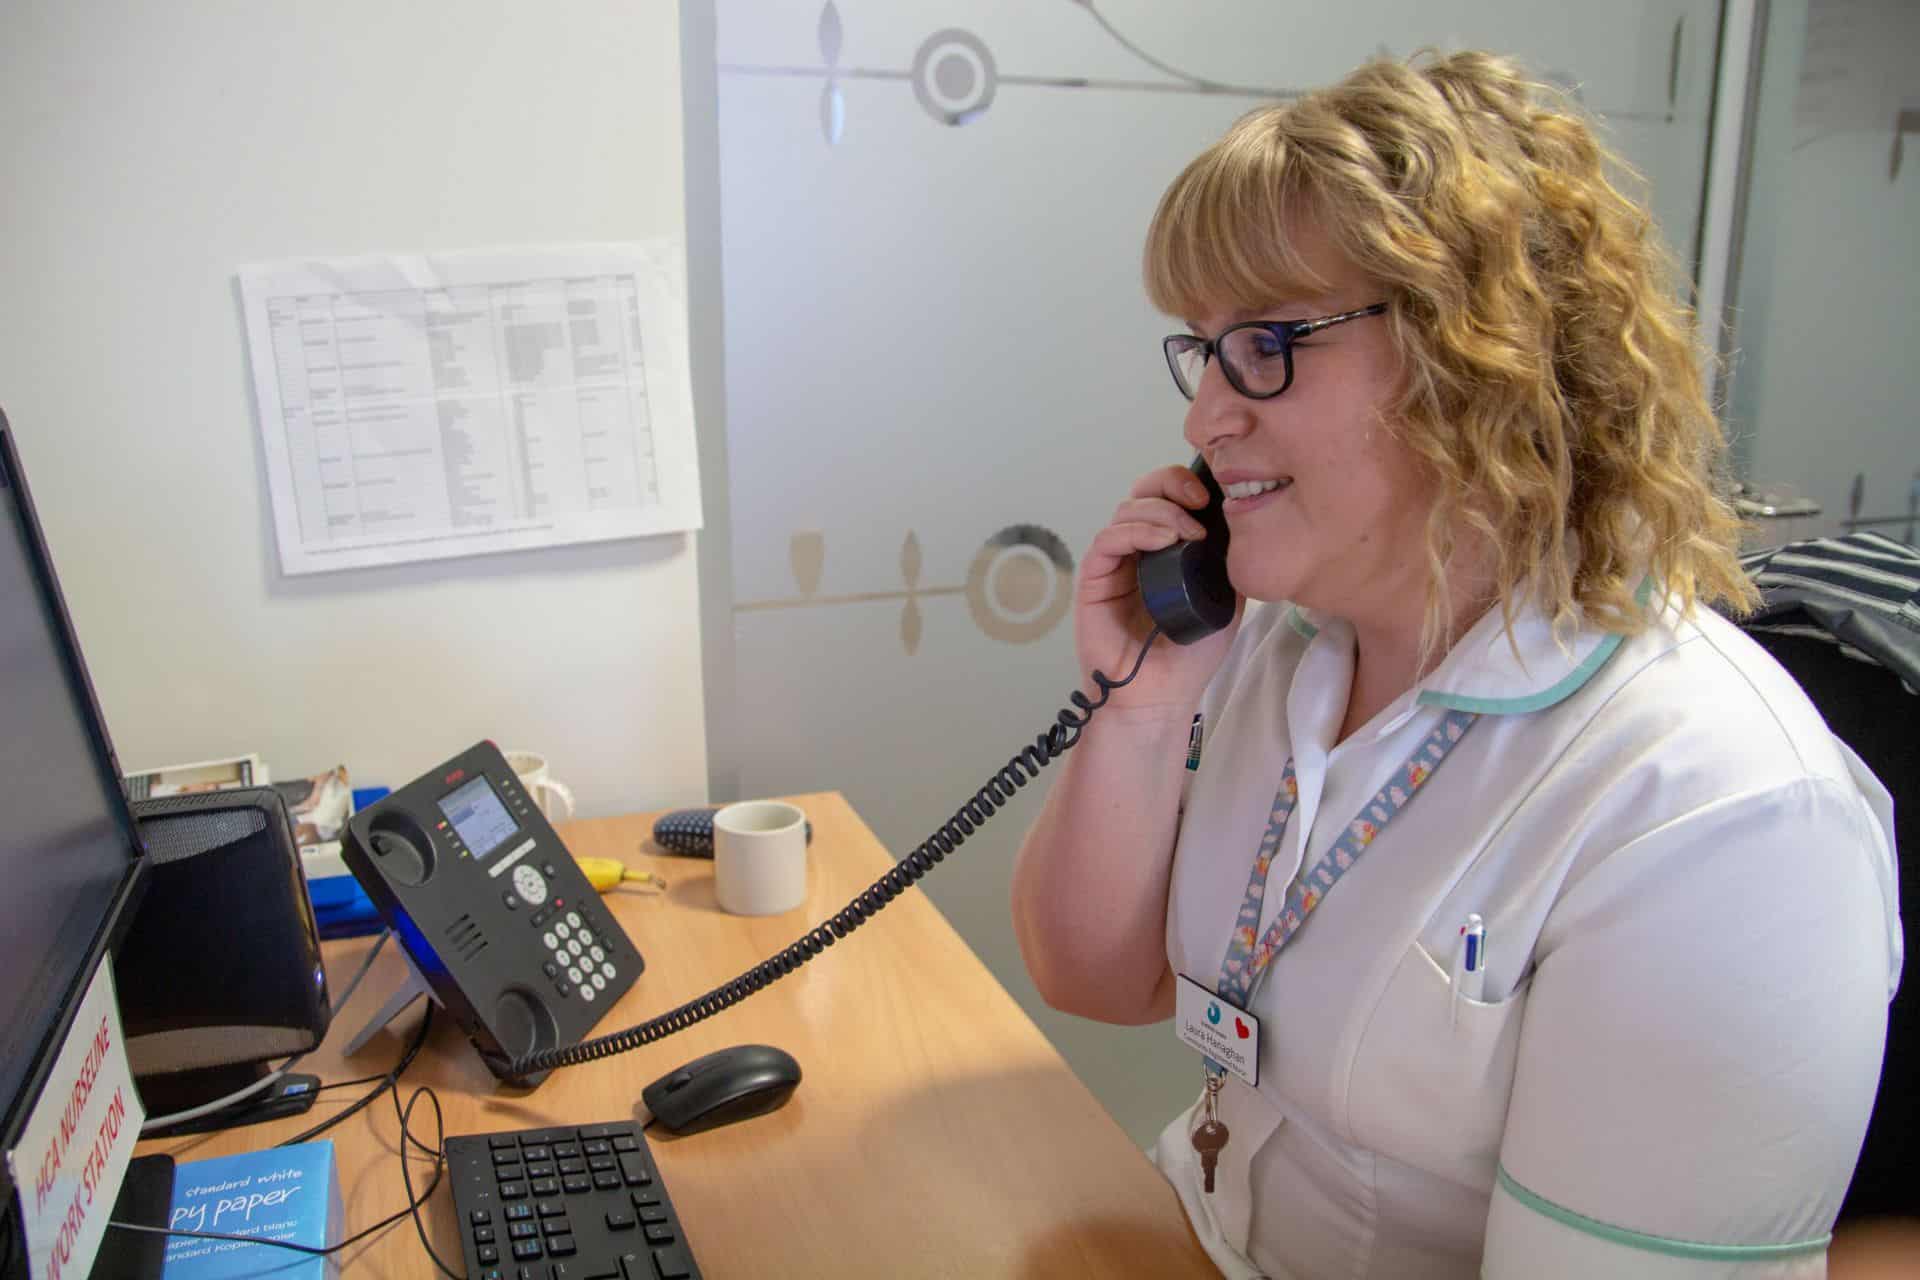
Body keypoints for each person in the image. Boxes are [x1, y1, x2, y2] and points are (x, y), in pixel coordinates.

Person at [1010, 49, 1901, 1280]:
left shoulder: (1717, 814)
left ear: (1485, 353)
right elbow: (1089, 977)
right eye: (1202, 350)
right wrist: (1144, 709)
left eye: (1266, 342)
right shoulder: (1281, 638)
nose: (1205, 417)